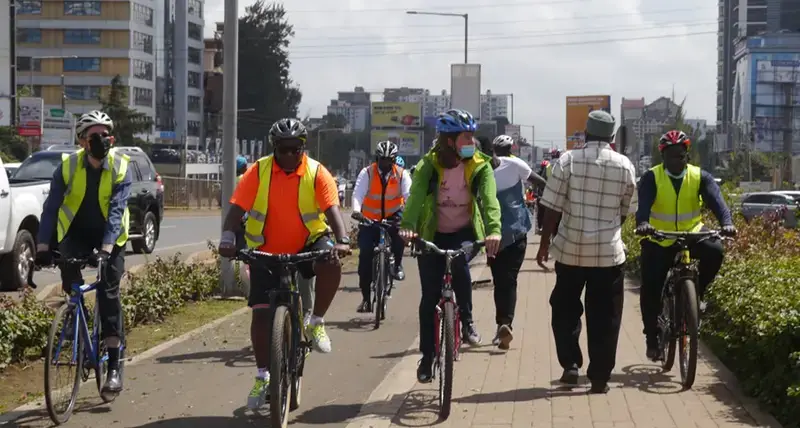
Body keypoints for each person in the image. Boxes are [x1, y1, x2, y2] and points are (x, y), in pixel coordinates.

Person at [217, 118, 352, 410]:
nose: (289, 156)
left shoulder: (317, 172)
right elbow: (235, 210)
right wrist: (228, 237)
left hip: (307, 244)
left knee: (330, 262)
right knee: (261, 314)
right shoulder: (258, 171)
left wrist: (342, 240)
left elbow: (332, 210)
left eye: (295, 149)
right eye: (283, 149)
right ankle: (263, 375)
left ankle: (315, 321)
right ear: (274, 148)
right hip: (265, 250)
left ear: (303, 148)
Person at [398, 109, 502, 383]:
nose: (472, 141)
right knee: (429, 298)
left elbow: (490, 202)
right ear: (449, 141)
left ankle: (467, 320)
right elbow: (416, 197)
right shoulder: (427, 166)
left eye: (471, 136)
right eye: (466, 137)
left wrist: (493, 231)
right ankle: (427, 357)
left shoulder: (480, 165)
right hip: (431, 235)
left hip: (464, 233)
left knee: (459, 263)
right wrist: (408, 226)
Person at [536, 110, 636, 394]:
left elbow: (552, 207)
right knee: (606, 316)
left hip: (570, 251)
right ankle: (600, 377)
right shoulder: (625, 165)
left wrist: (544, 245)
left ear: (586, 134)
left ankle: (570, 364)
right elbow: (627, 211)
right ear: (612, 137)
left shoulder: (567, 161)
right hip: (609, 255)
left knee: (565, 308)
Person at [35, 110, 131, 395]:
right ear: (81, 141)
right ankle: (77, 318)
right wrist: (42, 247)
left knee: (108, 291)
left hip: (110, 238)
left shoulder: (120, 166)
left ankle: (113, 365)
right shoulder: (66, 167)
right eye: (94, 136)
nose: (101, 140)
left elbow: (116, 212)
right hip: (75, 233)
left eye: (105, 135)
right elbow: (51, 209)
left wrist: (105, 249)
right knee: (72, 286)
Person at [635, 130, 736, 361]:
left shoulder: (700, 177)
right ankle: (652, 339)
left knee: (716, 250)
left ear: (686, 156)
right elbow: (643, 208)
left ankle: (696, 295)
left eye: (681, 156)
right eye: (671, 156)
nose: (676, 161)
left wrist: (727, 223)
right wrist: (643, 224)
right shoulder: (652, 177)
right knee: (650, 290)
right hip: (660, 238)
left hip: (692, 234)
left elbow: (717, 203)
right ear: (663, 157)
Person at [486, 134, 546, 350]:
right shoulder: (517, 163)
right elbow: (540, 182)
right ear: (512, 149)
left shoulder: (485, 169)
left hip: (492, 235)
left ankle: (501, 324)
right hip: (517, 233)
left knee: (498, 281)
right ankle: (505, 323)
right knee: (509, 281)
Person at [351, 140, 411, 312]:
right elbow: (358, 193)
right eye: (382, 160)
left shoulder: (401, 174)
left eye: (388, 160)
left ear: (394, 160)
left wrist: (410, 214)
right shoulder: (367, 173)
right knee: (365, 258)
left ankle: (397, 264)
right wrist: (356, 210)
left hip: (393, 215)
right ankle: (365, 299)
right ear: (377, 158)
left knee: (401, 234)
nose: (385, 164)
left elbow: (409, 194)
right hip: (370, 219)